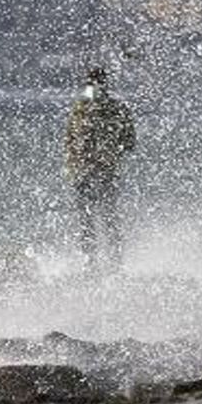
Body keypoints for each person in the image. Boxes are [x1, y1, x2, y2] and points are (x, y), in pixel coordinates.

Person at [64, 67, 136, 265]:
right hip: (93, 170)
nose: (93, 87)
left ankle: (101, 260)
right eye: (92, 84)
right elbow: (129, 142)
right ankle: (101, 260)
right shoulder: (85, 108)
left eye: (94, 83)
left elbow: (129, 142)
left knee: (97, 217)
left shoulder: (83, 109)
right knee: (100, 217)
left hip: (94, 170)